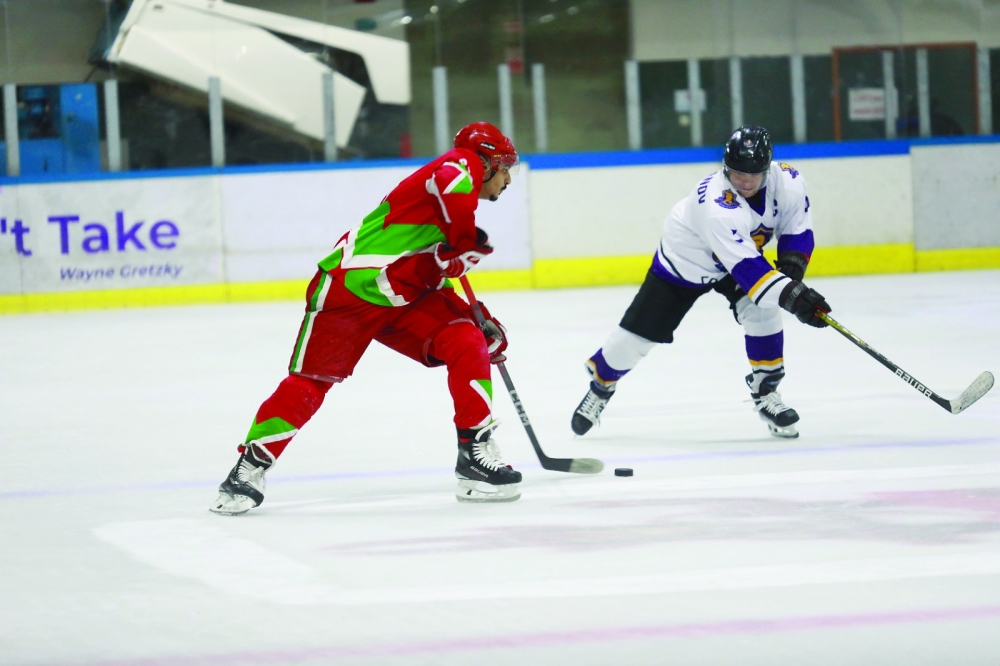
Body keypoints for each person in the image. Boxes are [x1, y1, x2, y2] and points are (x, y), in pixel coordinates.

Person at [210, 122, 522, 515]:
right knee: (311, 383)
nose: (508, 178)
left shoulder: (451, 205)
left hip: (403, 295)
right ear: (486, 161)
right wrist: (462, 240)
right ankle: (248, 468)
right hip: (351, 289)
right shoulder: (460, 166)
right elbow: (450, 174)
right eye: (504, 167)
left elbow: (428, 270)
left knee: (467, 340)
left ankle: (474, 459)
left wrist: (476, 316)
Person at [571, 125, 831, 439]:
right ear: (725, 167)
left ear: (768, 168)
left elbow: (797, 229)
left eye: (753, 173)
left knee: (762, 310)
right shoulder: (717, 205)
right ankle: (601, 386)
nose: (745, 181)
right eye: (737, 173)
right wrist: (797, 298)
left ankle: (766, 392)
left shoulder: (788, 181)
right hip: (684, 265)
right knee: (635, 340)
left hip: (734, 261)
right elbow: (753, 274)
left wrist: (792, 274)